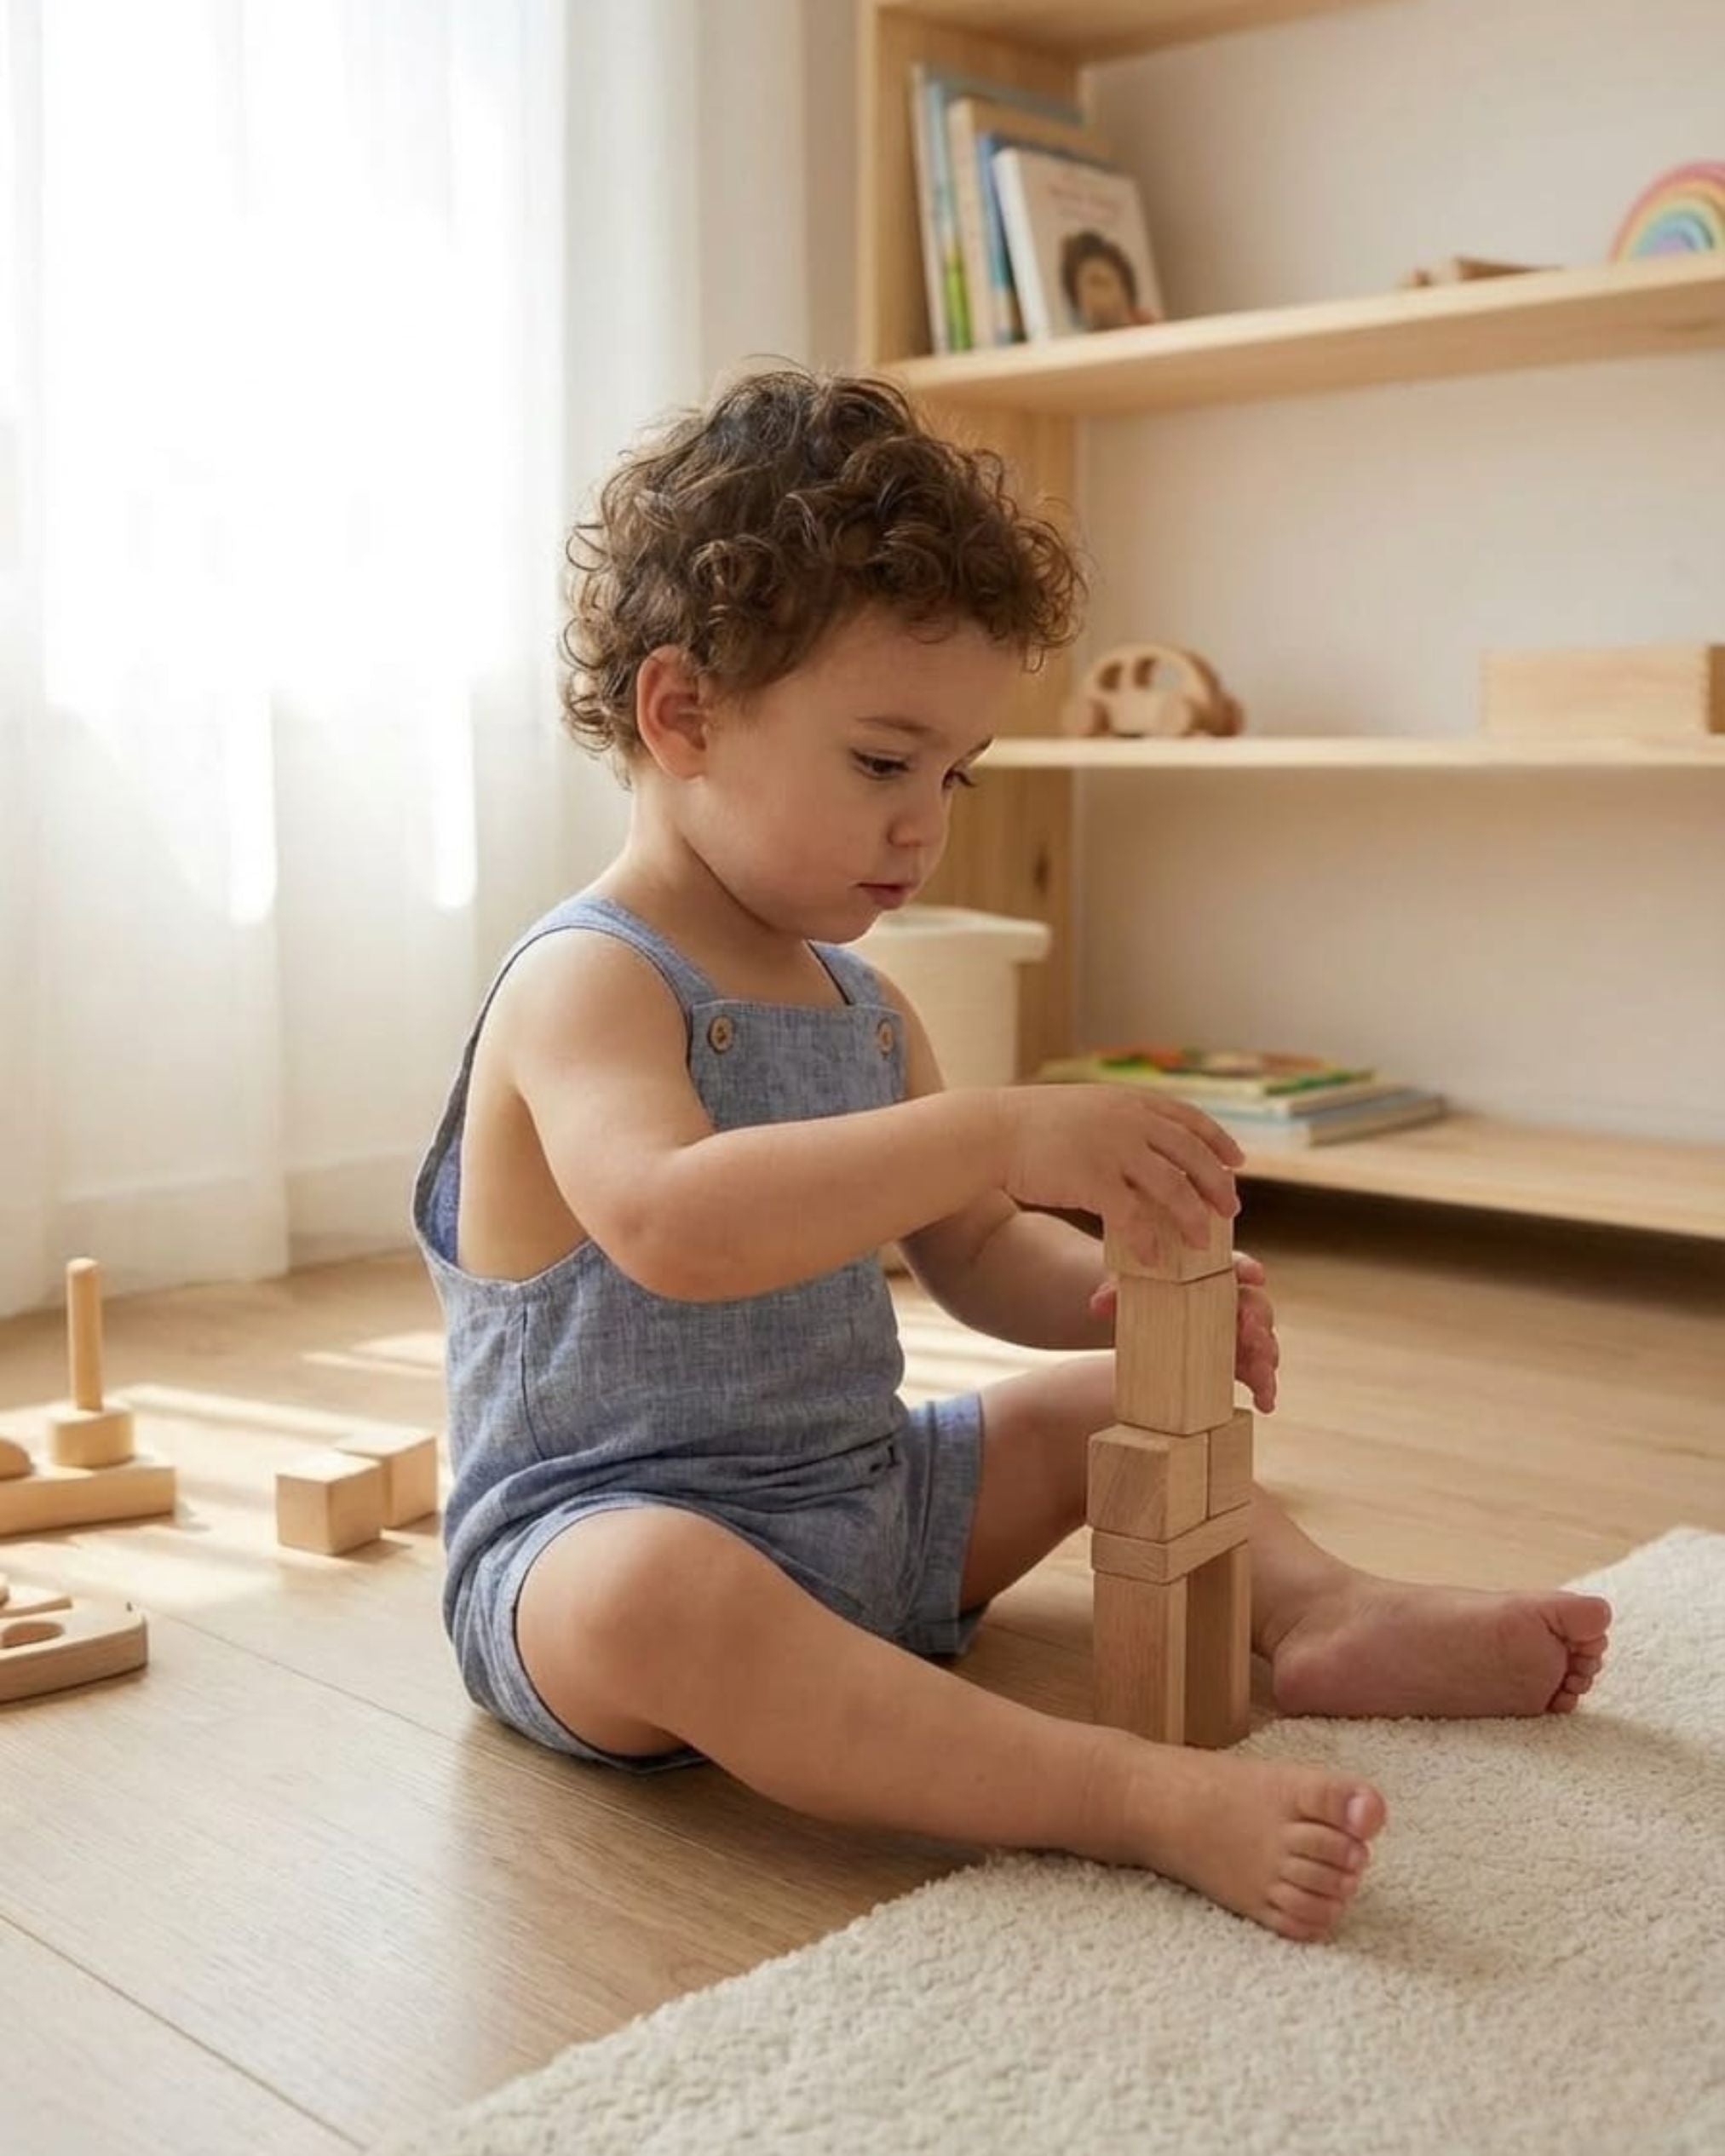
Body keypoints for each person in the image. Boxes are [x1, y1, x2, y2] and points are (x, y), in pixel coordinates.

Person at [412, 367, 1612, 1943]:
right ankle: (1118, 1795)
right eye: (881, 763)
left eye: (955, 776)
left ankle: (1325, 1616)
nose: (927, 828)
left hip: (865, 1506)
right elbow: (673, 1226)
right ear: (682, 713)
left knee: (1109, 1409)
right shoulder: (589, 981)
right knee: (663, 1594)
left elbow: (974, 1250)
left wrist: (1127, 1295)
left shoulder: (862, 1003)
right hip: (595, 1559)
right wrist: (992, 1122)